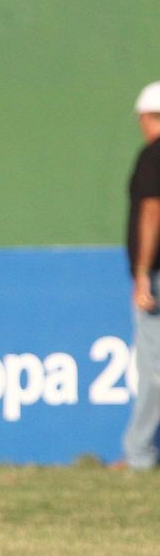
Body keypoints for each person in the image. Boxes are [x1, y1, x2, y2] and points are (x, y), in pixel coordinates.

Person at [123, 80, 160, 470]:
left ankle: (140, 454)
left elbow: (152, 211)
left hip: (157, 275)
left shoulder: (153, 155)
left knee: (153, 367)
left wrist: (143, 273)